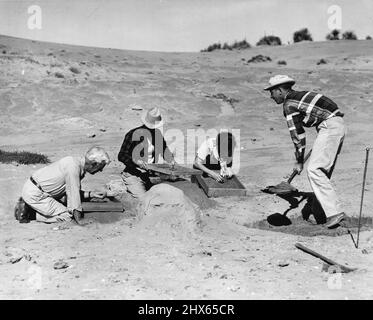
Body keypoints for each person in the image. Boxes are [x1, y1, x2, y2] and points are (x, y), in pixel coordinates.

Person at [264, 74, 347, 228]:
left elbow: (297, 135)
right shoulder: (300, 96)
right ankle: (320, 213)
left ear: (280, 90)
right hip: (335, 125)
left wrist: (299, 161)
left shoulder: (289, 104)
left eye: (272, 92)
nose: (271, 96)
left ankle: (335, 213)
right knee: (322, 171)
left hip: (329, 127)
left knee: (314, 169)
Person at [18, 146, 110, 224]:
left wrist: (91, 194)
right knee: (68, 216)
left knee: (65, 204)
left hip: (34, 189)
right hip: (36, 195)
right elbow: (73, 197)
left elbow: (71, 192)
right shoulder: (73, 168)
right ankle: (29, 213)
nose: (100, 170)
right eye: (100, 167)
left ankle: (30, 207)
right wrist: (79, 220)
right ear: (94, 164)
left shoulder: (75, 162)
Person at [118, 107, 175, 198]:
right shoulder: (132, 134)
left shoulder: (157, 135)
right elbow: (121, 155)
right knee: (143, 199)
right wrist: (136, 162)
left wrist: (170, 159)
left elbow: (164, 149)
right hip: (133, 174)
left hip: (149, 174)